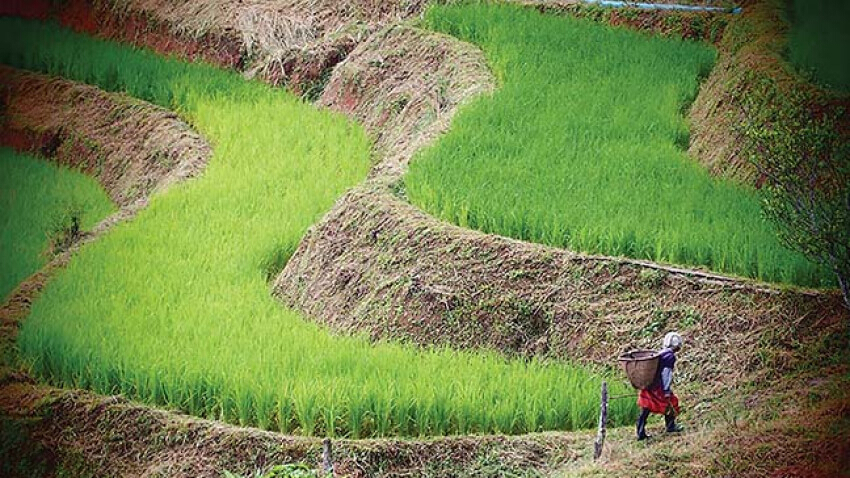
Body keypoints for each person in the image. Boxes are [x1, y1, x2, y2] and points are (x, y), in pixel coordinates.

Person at [636, 332, 684, 441]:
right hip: (658, 387)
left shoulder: (661, 353)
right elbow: (666, 373)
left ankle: (640, 432)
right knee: (673, 402)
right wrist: (666, 390)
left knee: (645, 408)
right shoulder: (669, 356)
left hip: (650, 385)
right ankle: (670, 427)